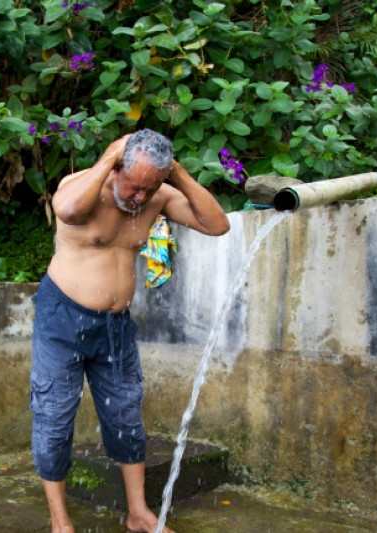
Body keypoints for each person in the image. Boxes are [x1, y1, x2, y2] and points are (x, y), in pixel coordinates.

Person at [30, 129, 231, 533]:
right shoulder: (85, 186)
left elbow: (217, 224)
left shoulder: (156, 195)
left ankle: (138, 513)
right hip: (62, 319)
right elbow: (67, 210)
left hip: (116, 327)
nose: (139, 197)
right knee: (54, 417)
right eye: (133, 185)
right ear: (117, 165)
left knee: (125, 416)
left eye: (149, 187)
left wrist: (176, 175)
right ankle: (59, 522)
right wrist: (106, 160)